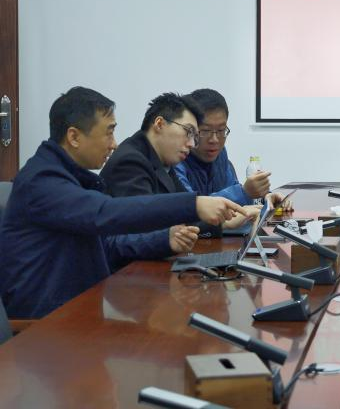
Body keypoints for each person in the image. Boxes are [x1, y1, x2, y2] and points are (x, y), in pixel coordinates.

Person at [0, 87, 243, 318]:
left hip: (80, 311)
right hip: (44, 327)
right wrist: (193, 204)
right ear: (74, 136)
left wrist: (165, 240)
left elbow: (108, 246)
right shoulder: (42, 181)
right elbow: (105, 212)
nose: (114, 143)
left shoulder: (73, 177)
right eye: (108, 132)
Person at [101, 92, 252, 237]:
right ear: (160, 124)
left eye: (195, 136)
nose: (192, 144)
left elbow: (185, 215)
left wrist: (224, 222)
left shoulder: (162, 160)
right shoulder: (130, 161)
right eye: (188, 132)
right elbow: (146, 227)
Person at [174, 88, 290, 211]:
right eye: (205, 131)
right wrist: (244, 192)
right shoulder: (176, 159)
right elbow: (191, 208)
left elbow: (234, 191)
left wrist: (265, 198)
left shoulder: (220, 153)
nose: (214, 140)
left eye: (221, 130)